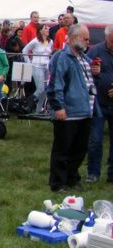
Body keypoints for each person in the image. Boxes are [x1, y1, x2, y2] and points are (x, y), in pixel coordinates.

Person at [46, 24, 99, 192]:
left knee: (79, 149)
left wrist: (95, 72)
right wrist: (58, 107)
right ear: (74, 38)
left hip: (85, 111)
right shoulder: (62, 57)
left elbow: (88, 81)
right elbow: (55, 84)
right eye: (86, 39)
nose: (88, 42)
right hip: (68, 112)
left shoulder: (83, 58)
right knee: (62, 149)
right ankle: (58, 182)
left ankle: (72, 178)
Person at [86, 25, 113, 184]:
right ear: (106, 37)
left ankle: (112, 173)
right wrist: (94, 73)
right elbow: (85, 74)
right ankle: (93, 172)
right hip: (98, 103)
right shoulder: (95, 51)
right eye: (112, 41)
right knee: (95, 139)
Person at [22, 24, 53, 112]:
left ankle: (38, 111)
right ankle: (27, 105)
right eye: (45, 28)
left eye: (47, 28)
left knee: (44, 91)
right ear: (40, 31)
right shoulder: (35, 41)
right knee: (40, 89)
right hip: (37, 66)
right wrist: (28, 62)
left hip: (46, 67)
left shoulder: (50, 41)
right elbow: (24, 50)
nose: (47, 29)